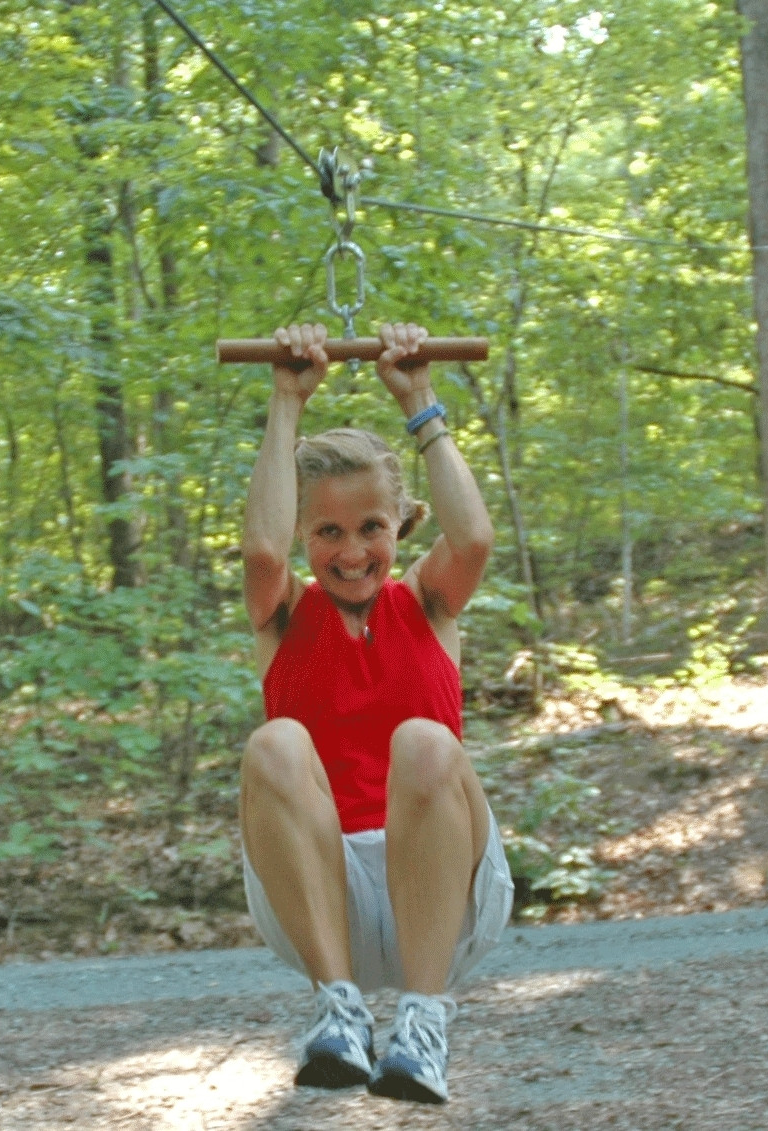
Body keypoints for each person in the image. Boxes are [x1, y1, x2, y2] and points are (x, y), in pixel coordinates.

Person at [238, 321, 514, 1105]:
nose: (352, 551)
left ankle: (424, 1024)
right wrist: (286, 399)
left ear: (400, 525)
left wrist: (420, 396)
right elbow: (260, 553)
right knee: (276, 742)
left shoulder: (427, 601)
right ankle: (340, 1009)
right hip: (322, 895)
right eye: (327, 531)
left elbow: (477, 535)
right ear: (304, 533)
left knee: (425, 741)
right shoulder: (285, 614)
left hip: (441, 886)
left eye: (370, 528)